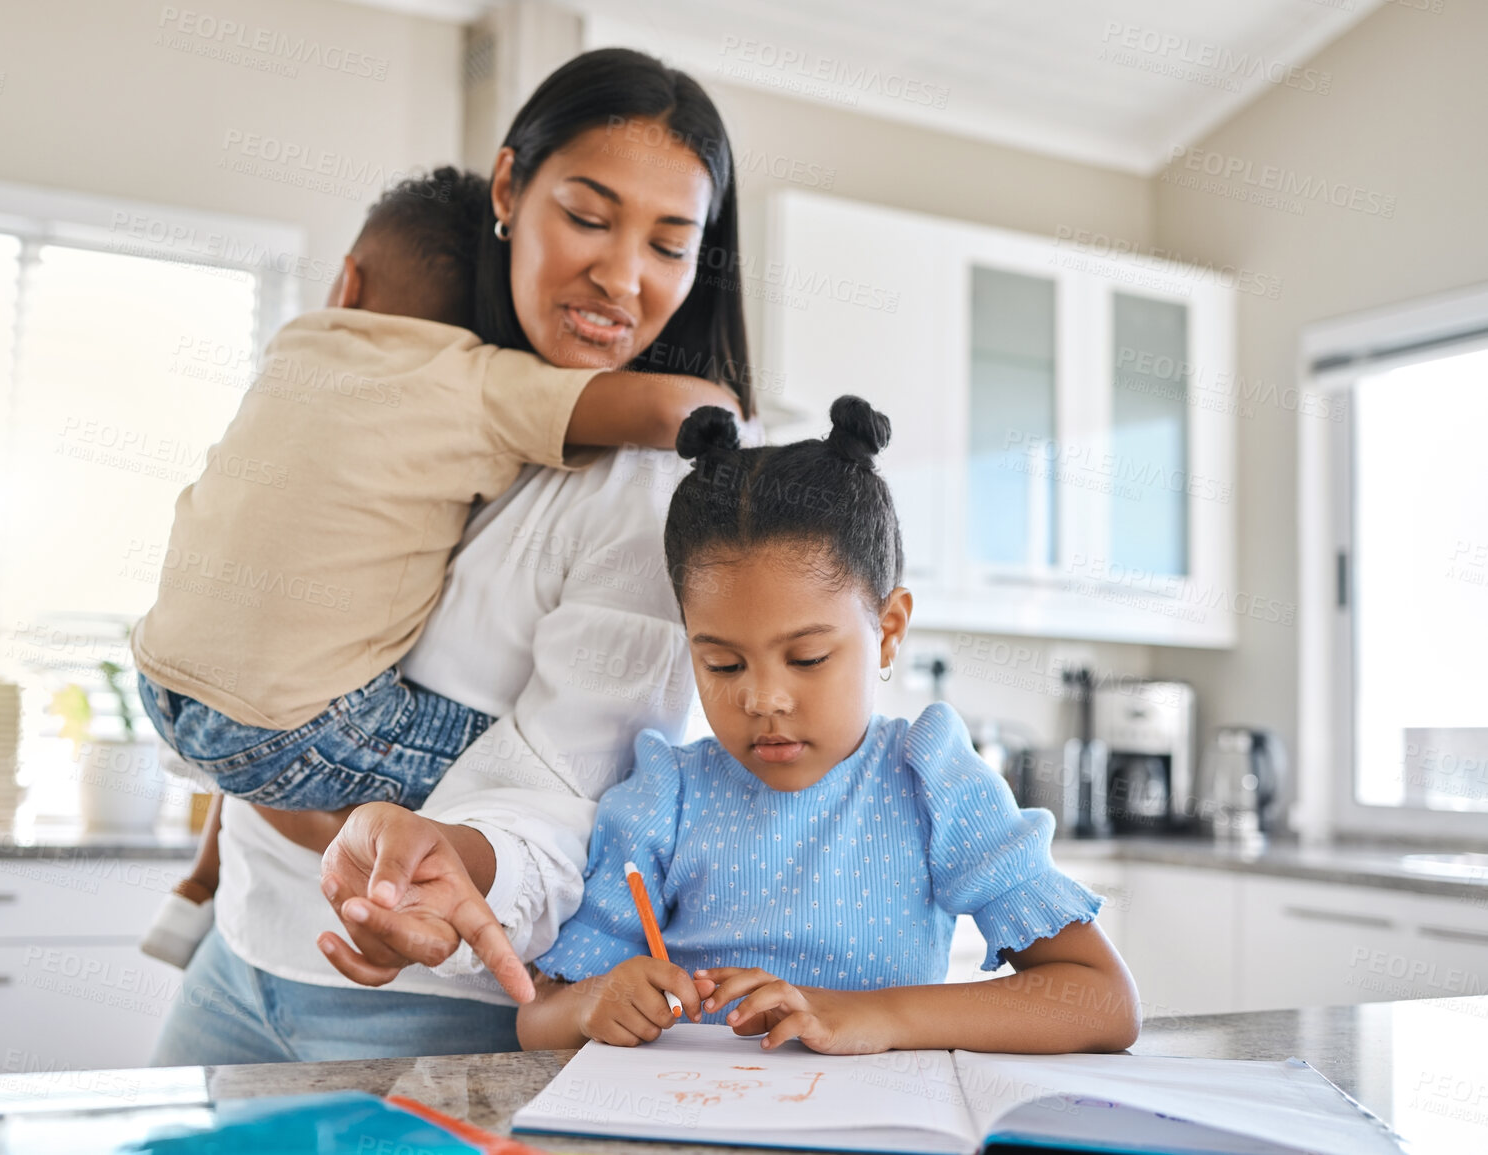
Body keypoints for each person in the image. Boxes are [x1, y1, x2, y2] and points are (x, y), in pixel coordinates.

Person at [150, 47, 757, 1063]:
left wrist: (415, 855)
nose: (622, 275)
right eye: (591, 216)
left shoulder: (650, 489)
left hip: (416, 1003)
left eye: (670, 243)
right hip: (241, 953)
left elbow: (571, 802)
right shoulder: (412, 375)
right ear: (511, 189)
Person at [515, 399, 1141, 1055]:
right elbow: (540, 1015)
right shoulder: (665, 796)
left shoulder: (930, 782)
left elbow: (1100, 999)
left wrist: (875, 1015)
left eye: (807, 658)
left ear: (888, 630)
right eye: (722, 662)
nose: (763, 699)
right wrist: (592, 1002)